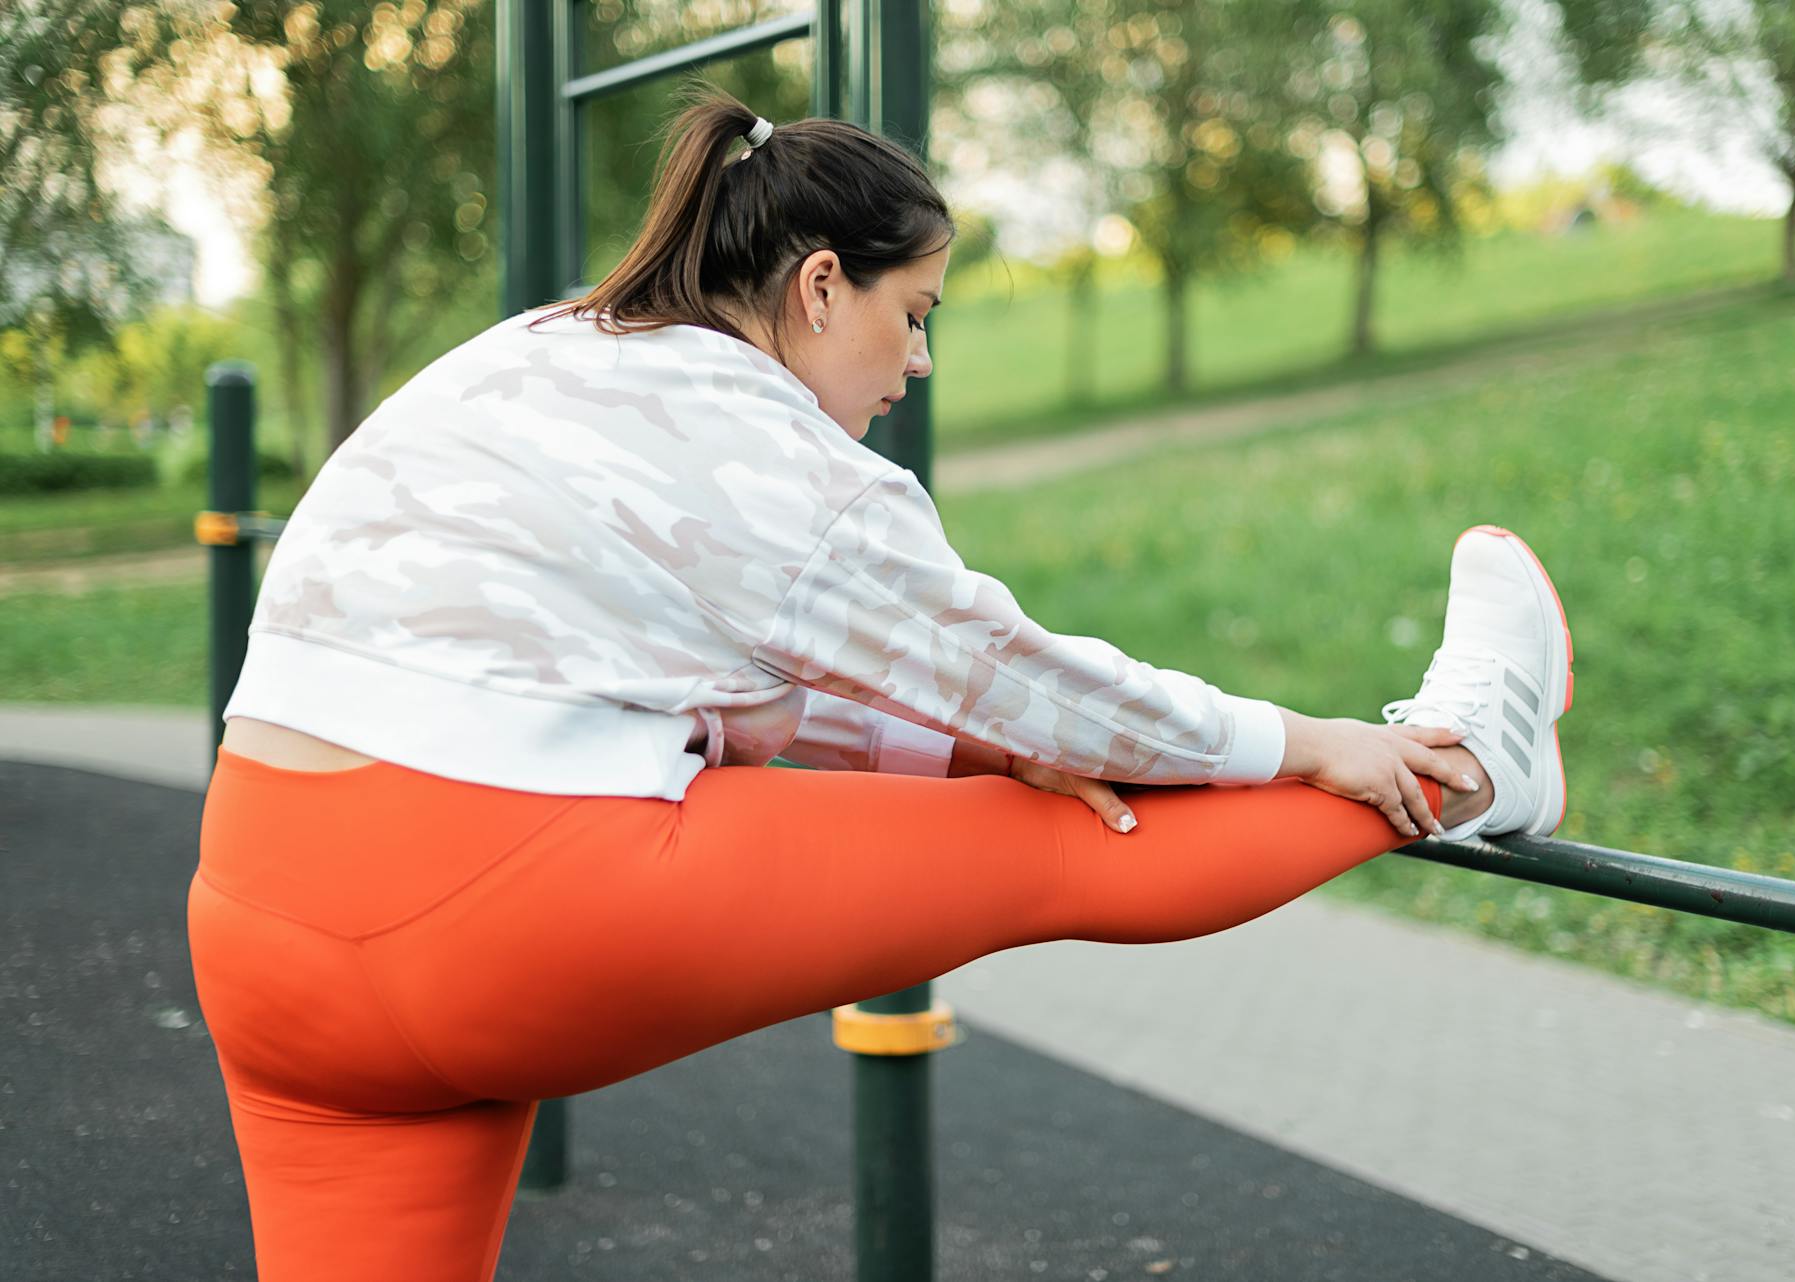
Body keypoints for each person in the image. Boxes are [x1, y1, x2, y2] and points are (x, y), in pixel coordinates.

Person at [189, 90, 1574, 1282]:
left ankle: (1451, 760)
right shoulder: (775, 453)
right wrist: (1304, 740)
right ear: (817, 287)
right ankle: (1469, 761)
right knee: (1059, 850)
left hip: (262, 928)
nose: (916, 364)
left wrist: (973, 747)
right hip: (496, 908)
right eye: (914, 315)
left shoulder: (545, 350)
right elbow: (1029, 684)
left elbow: (685, 669)